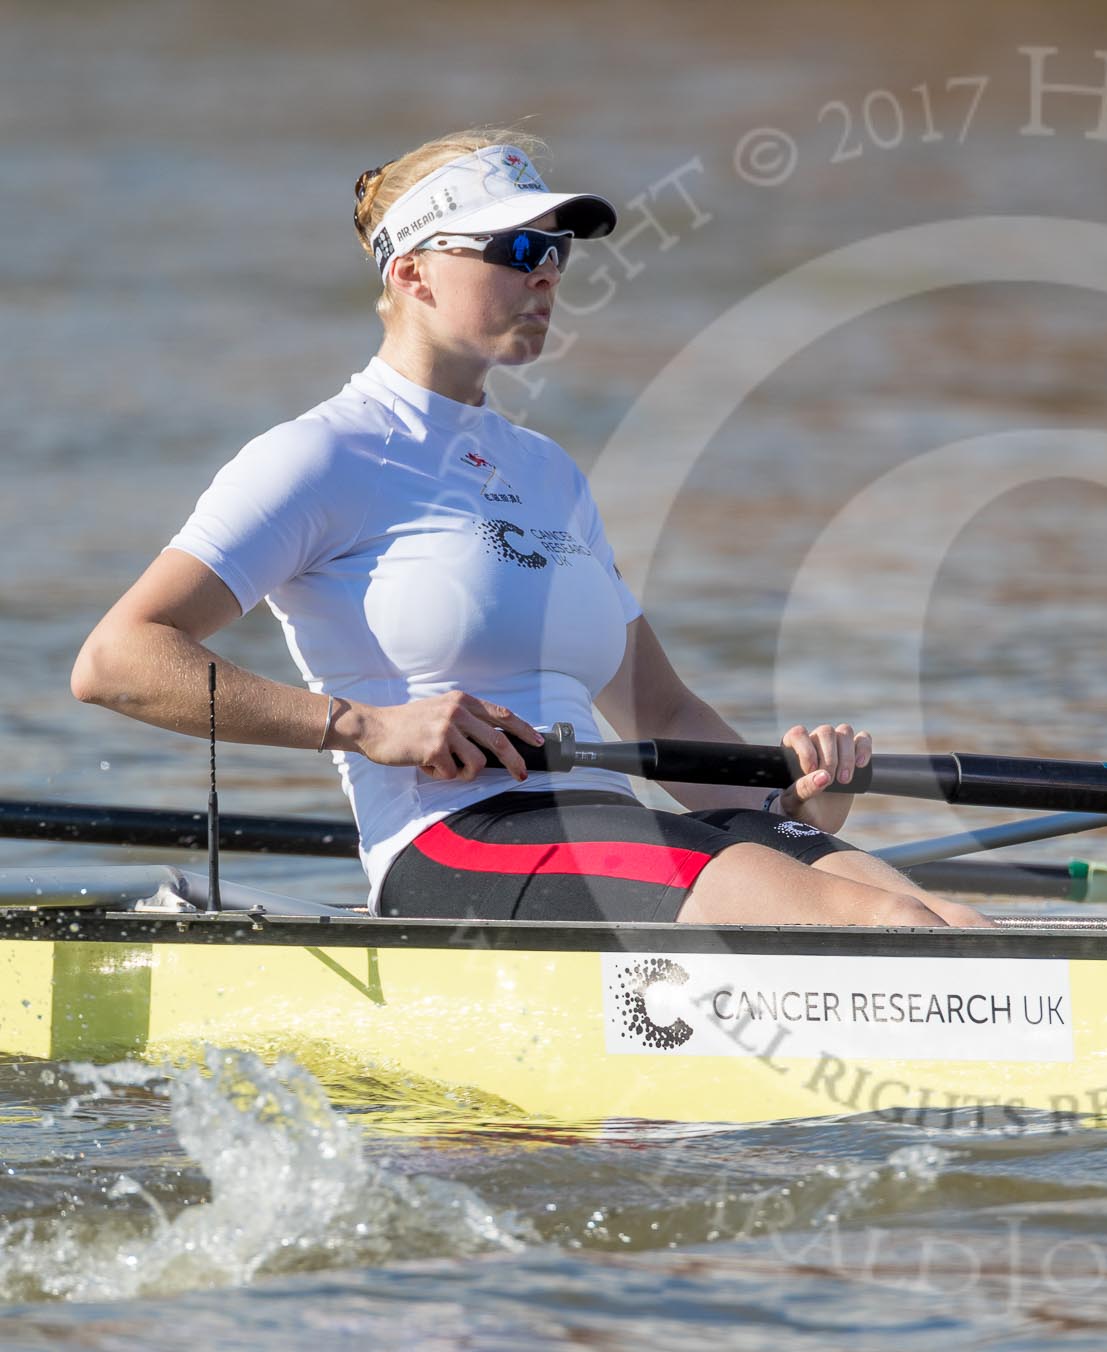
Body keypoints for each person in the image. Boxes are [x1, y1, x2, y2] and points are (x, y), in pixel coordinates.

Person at [70, 128, 988, 929]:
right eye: (515, 248)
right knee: (884, 923)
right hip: (459, 840)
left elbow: (661, 713)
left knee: (945, 919)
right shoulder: (320, 456)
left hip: (604, 823)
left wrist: (789, 799)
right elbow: (116, 659)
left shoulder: (547, 470)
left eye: (556, 250)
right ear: (412, 271)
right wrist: (365, 726)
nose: (546, 272)